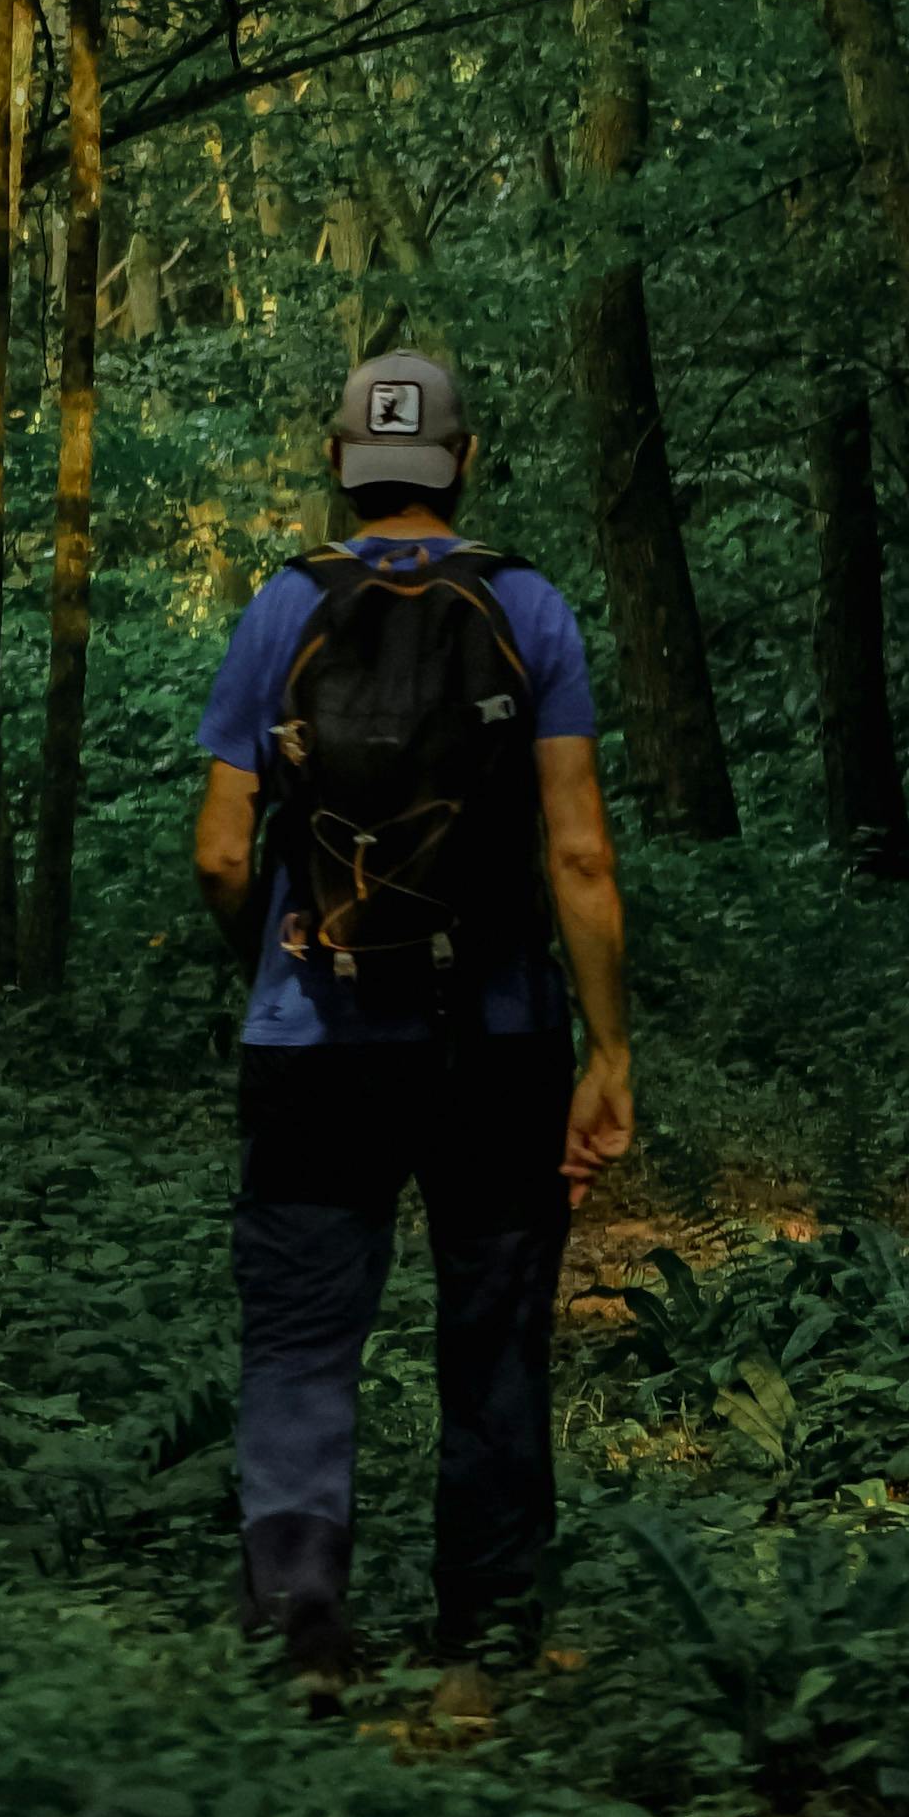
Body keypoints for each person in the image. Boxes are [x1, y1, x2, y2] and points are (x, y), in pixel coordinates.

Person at [190, 348, 636, 1685]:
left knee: (303, 1329)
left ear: (339, 463)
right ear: (468, 461)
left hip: (311, 1040)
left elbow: (220, 850)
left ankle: (301, 1621)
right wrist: (608, 1049)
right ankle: (487, 1640)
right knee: (491, 1327)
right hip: (494, 1038)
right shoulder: (531, 609)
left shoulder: (281, 610)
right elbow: (580, 856)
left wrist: (267, 954)